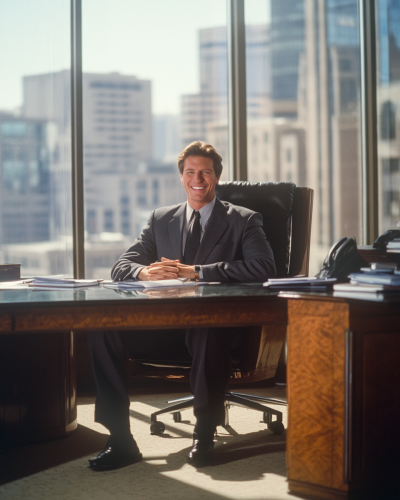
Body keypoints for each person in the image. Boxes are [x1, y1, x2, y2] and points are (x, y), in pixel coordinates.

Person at [87, 141, 276, 470]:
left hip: (215, 327)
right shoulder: (161, 219)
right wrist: (145, 271)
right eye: (190, 172)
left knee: (208, 329)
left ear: (216, 176)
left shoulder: (243, 220)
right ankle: (120, 437)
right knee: (102, 329)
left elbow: (264, 268)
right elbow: (121, 266)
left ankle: (203, 432)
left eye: (205, 171)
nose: (197, 178)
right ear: (181, 177)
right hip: (166, 326)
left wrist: (198, 271)